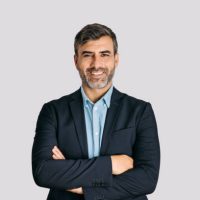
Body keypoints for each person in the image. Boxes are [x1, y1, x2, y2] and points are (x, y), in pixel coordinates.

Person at [32, 23, 160, 200]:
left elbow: (147, 179)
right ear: (76, 61)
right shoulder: (53, 111)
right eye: (87, 55)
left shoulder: (140, 111)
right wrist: (111, 164)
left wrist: (79, 186)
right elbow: (43, 172)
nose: (96, 64)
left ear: (116, 59)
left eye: (104, 54)